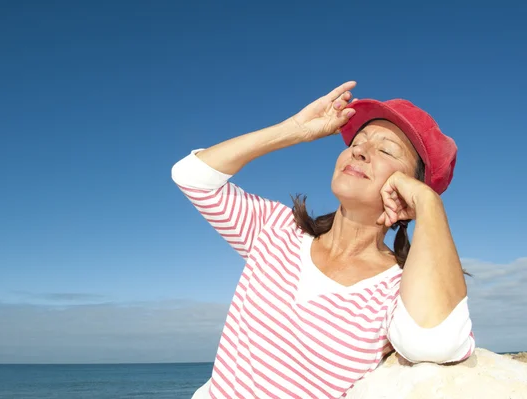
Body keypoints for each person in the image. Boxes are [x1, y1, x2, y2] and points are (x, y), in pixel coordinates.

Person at [171, 81, 475, 399]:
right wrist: (294, 129)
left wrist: (428, 204)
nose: (359, 150)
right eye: (357, 142)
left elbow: (435, 343)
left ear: (407, 187)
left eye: (385, 150)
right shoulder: (276, 230)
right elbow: (191, 177)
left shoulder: (398, 288)